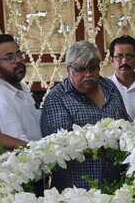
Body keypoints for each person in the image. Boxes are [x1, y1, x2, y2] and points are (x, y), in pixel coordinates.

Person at [40, 41, 129, 189]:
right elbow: (59, 148)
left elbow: (125, 121)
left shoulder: (109, 87)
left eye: (93, 68)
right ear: (69, 70)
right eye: (81, 69)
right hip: (79, 191)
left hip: (116, 185)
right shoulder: (57, 98)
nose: (88, 74)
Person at [0, 34, 42, 142]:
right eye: (10, 58)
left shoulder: (20, 86)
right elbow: (20, 147)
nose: (18, 60)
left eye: (19, 54)